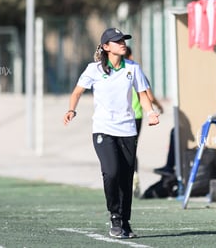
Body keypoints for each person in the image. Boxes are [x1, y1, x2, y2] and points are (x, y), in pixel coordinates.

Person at [63, 28, 160, 239]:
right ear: (106, 47)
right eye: (117, 41)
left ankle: (125, 221)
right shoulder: (93, 70)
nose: (122, 44)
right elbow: (77, 92)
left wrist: (151, 112)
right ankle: (115, 217)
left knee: (126, 178)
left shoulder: (133, 68)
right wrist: (72, 109)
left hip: (127, 130)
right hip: (103, 129)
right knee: (112, 172)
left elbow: (143, 95)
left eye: (123, 40)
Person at [125, 46, 164, 198]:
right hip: (137, 117)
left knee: (122, 148)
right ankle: (133, 174)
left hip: (123, 117)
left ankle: (127, 176)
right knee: (131, 148)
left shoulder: (120, 71)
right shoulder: (136, 71)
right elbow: (149, 96)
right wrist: (158, 107)